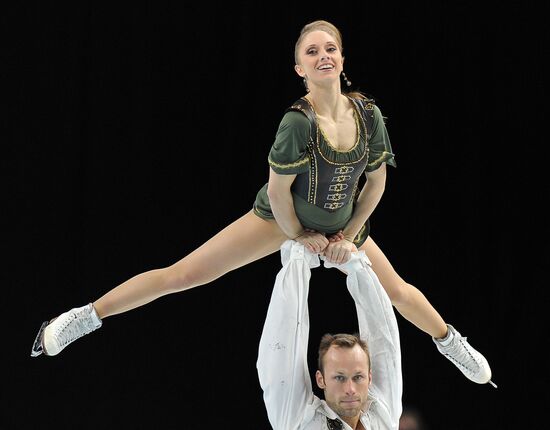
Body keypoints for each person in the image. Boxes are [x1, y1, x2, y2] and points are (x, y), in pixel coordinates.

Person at [30, 19, 494, 388]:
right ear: (300, 68)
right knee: (185, 275)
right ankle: (84, 318)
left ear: (342, 58)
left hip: (344, 226)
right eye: (311, 51)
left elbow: (375, 184)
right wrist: (300, 236)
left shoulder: (368, 114)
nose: (322, 55)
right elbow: (276, 192)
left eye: (329, 48)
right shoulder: (297, 122)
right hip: (280, 220)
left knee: (398, 292)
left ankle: (451, 342)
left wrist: (348, 234)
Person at [257, 239, 402, 430]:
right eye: (339, 377)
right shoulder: (296, 420)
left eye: (358, 377)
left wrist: (353, 263)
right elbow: (282, 343)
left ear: (369, 377)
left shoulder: (382, 413)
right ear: (321, 379)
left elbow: (384, 339)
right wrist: (300, 258)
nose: (350, 389)